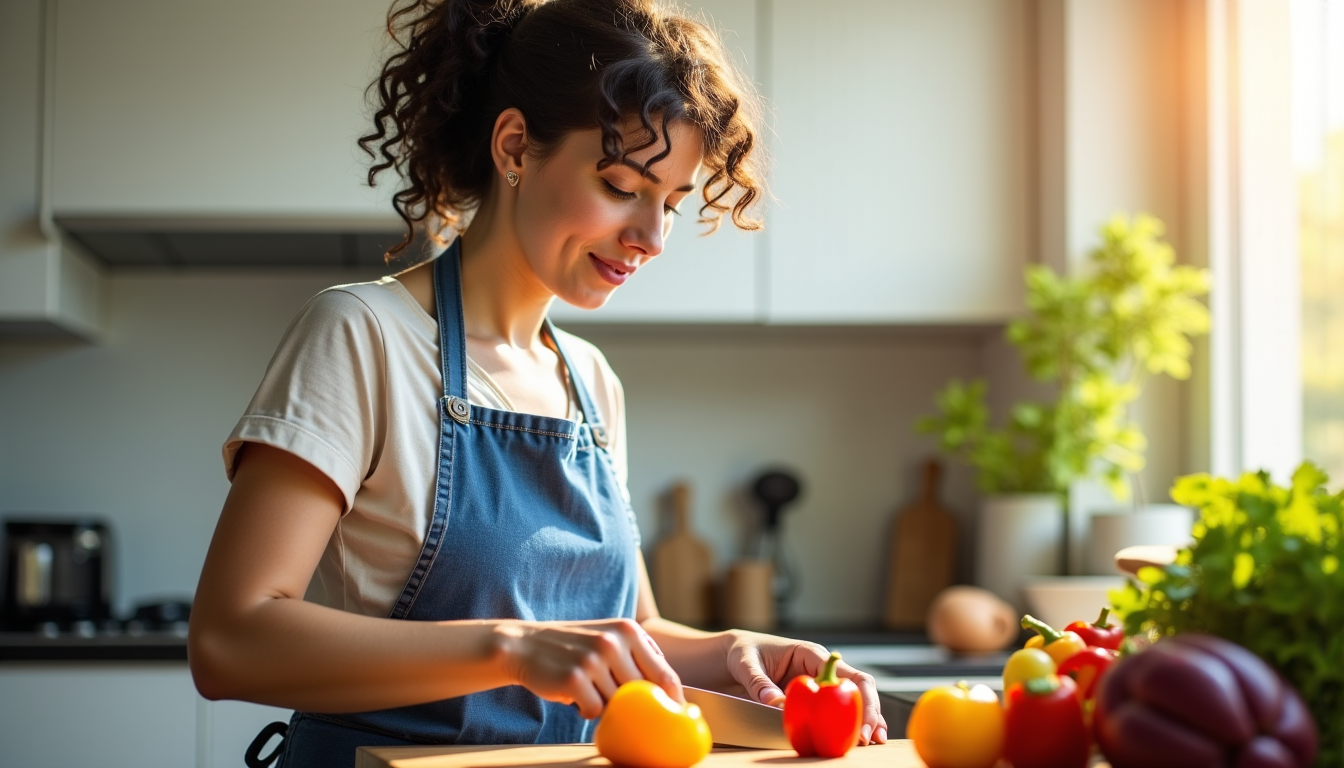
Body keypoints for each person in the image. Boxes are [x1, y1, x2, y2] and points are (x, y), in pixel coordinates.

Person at [188, 0, 887, 765]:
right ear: (515, 146)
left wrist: (731, 651)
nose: (652, 238)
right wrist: (512, 648)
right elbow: (229, 642)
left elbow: (629, 637)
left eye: (671, 203)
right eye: (621, 185)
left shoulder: (590, 381)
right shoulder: (363, 335)